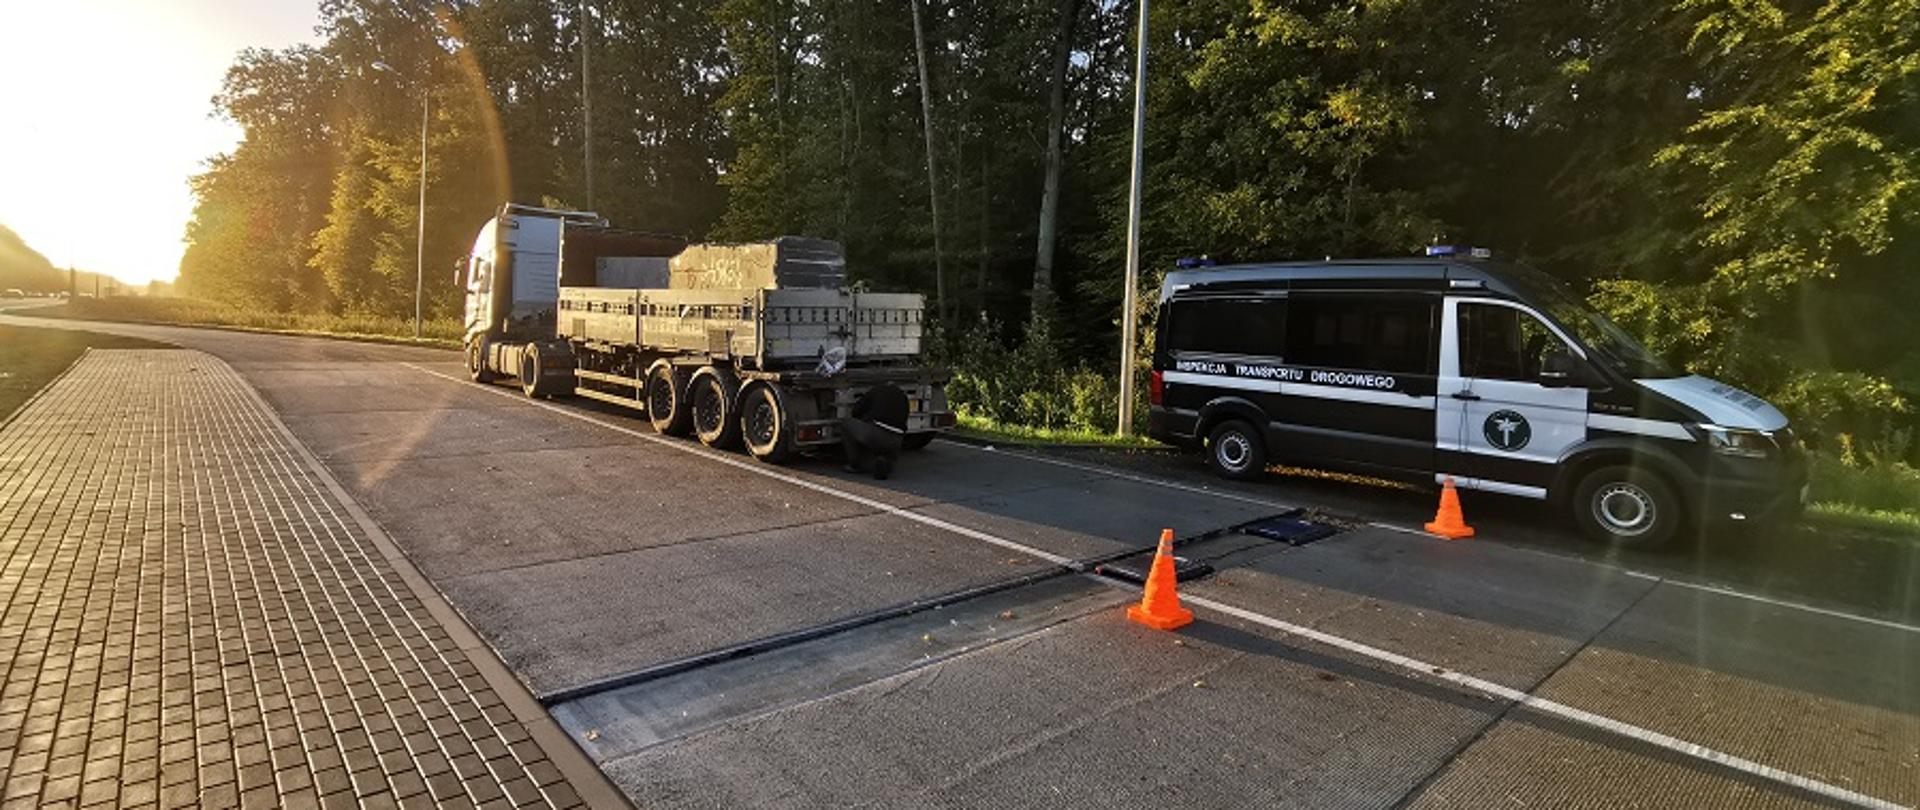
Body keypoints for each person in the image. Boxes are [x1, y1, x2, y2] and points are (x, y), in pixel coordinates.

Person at [842, 383, 908, 480]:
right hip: (897, 439)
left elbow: (856, 412)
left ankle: (856, 464)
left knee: (846, 424)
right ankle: (885, 463)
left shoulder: (875, 390)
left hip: (875, 434)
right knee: (890, 455)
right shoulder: (903, 396)